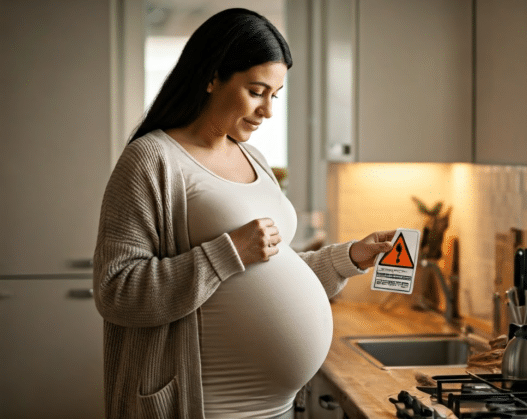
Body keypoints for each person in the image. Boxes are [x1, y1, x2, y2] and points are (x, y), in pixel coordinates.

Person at [93, 8, 394, 419]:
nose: (267, 110)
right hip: (203, 408)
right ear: (213, 76)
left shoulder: (253, 157)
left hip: (278, 409)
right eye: (256, 91)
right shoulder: (152, 160)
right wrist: (226, 252)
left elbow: (270, 265)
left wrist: (349, 258)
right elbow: (117, 290)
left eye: (275, 95)